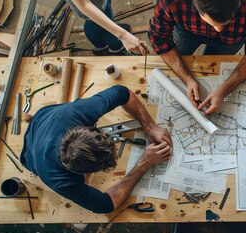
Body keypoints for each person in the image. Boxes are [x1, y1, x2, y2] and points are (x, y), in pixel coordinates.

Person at [20, 85, 172, 214]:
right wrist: (143, 164)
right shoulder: (57, 178)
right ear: (80, 173)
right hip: (31, 156)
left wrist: (150, 126)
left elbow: (122, 92)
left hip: (43, 118)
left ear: (90, 129)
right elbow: (105, 205)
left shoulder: (77, 112)